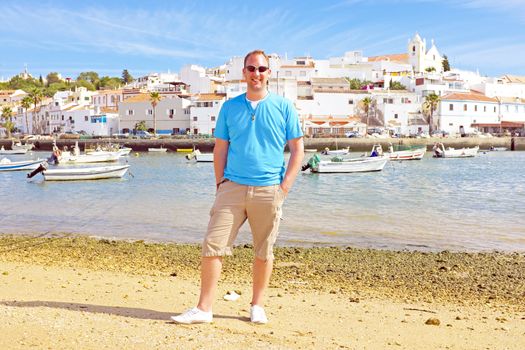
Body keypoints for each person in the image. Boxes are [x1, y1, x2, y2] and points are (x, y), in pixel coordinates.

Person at [171, 50, 304, 325]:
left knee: (263, 251)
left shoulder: (284, 107)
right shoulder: (229, 107)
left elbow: (297, 150)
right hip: (231, 188)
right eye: (252, 68)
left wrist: (285, 188)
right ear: (243, 72)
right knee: (213, 245)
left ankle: (257, 305)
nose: (257, 74)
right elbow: (220, 149)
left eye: (262, 69)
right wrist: (220, 184)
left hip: (269, 189)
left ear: (269, 73)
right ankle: (204, 309)